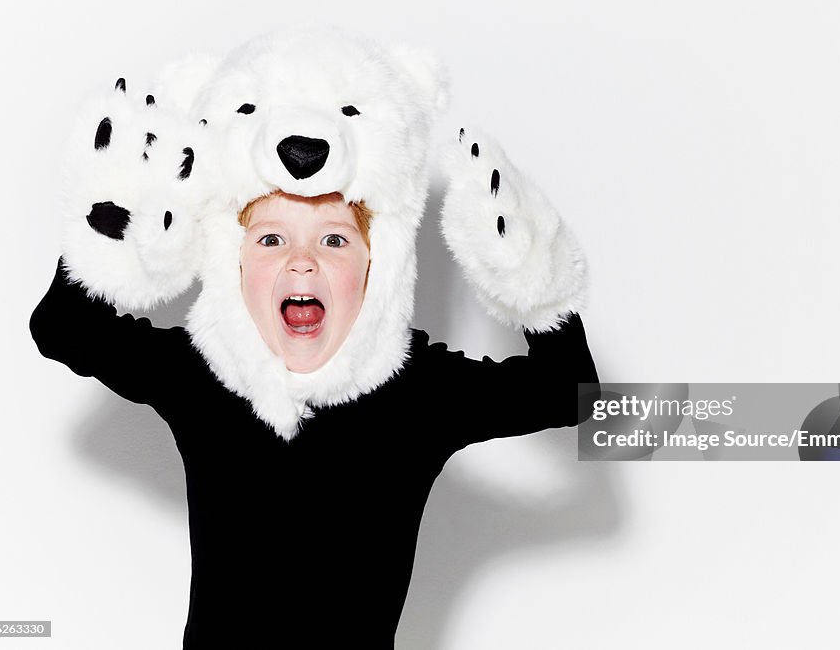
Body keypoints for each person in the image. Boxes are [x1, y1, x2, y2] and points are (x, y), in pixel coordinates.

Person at [30, 186, 598, 648]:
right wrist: (128, 186)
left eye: (333, 239)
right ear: (237, 265)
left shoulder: (417, 387)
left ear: (375, 268)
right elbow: (64, 326)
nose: (302, 260)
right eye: (272, 238)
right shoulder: (206, 370)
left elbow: (568, 391)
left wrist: (522, 259)